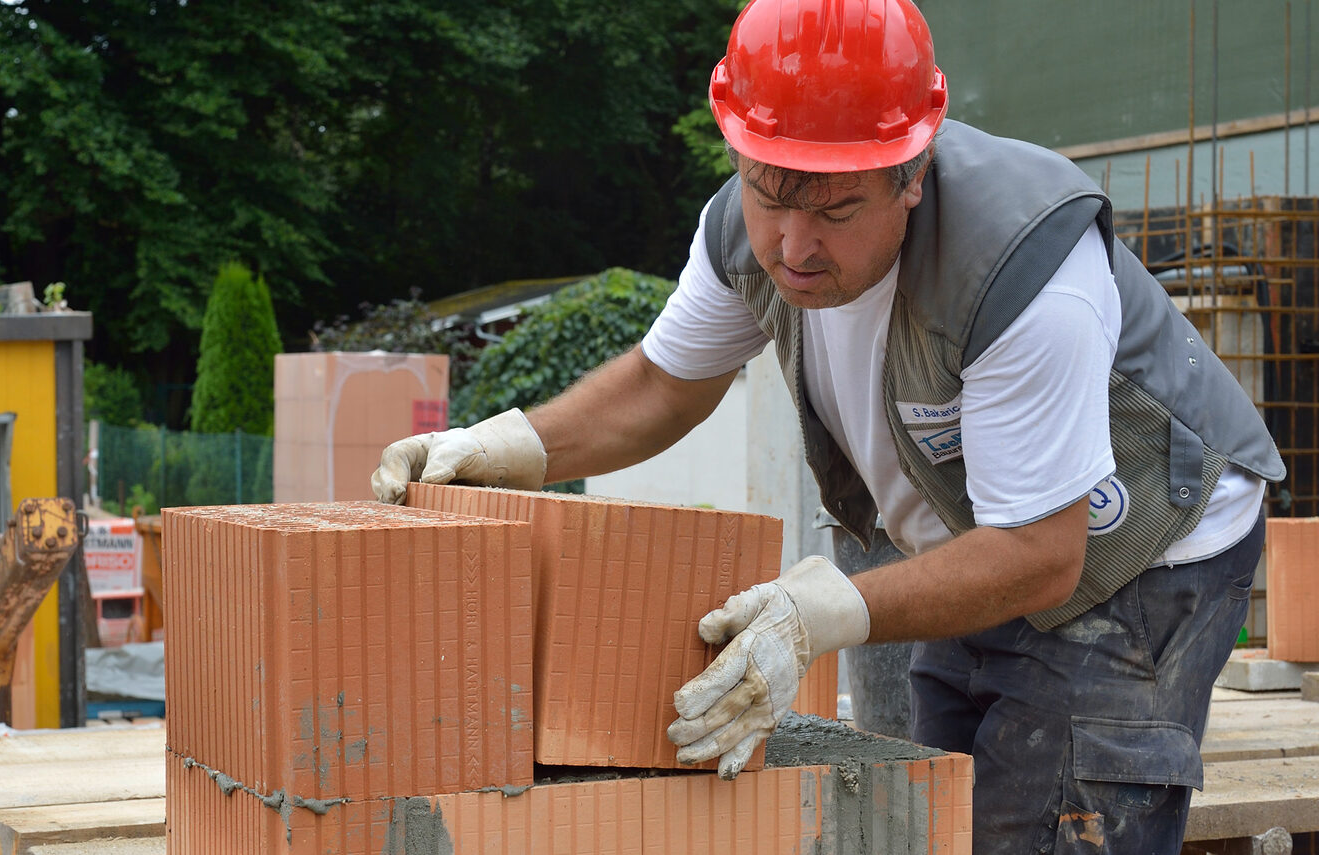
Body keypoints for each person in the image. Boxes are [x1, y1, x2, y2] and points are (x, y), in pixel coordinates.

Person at [371, 0, 1286, 851]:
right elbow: (661, 385)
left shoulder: (1022, 268)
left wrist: (823, 610)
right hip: (991, 537)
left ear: (913, 176)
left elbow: (1046, 552)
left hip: (1144, 551)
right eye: (770, 195)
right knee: (939, 814)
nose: (794, 247)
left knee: (1044, 817)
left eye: (838, 209)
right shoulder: (743, 233)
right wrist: (509, 446)